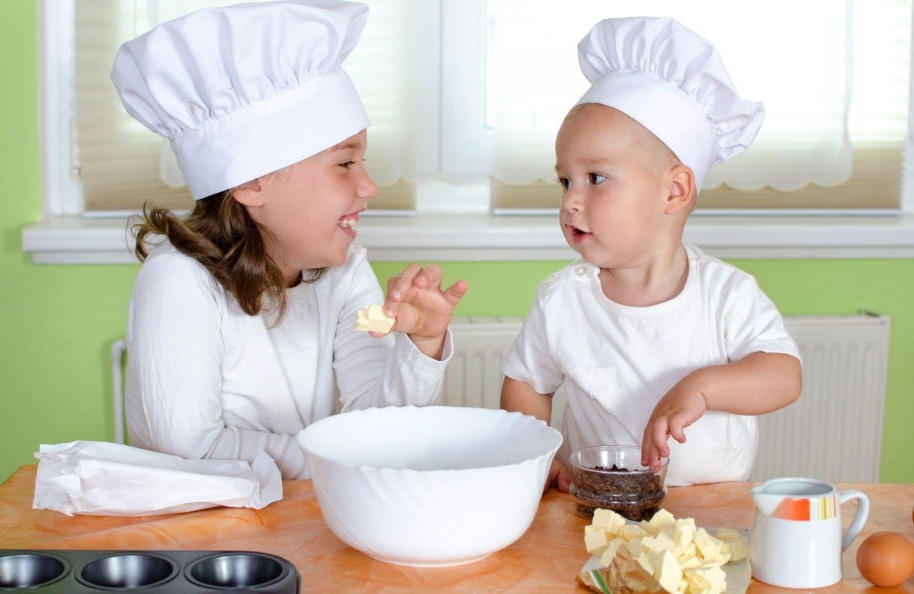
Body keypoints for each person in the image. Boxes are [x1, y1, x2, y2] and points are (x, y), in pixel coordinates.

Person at [111, 0, 467, 479]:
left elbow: (381, 429)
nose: (369, 185)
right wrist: (340, 458)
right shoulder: (176, 280)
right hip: (200, 523)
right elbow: (190, 445)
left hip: (295, 512)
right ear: (251, 182)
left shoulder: (343, 273)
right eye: (345, 163)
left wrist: (422, 344)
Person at [500, 17, 802, 489]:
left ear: (674, 190)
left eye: (595, 178)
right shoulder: (562, 300)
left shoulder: (726, 294)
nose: (570, 200)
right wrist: (538, 457)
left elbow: (783, 375)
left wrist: (702, 387)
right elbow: (526, 383)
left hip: (711, 508)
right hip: (597, 504)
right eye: (565, 180)